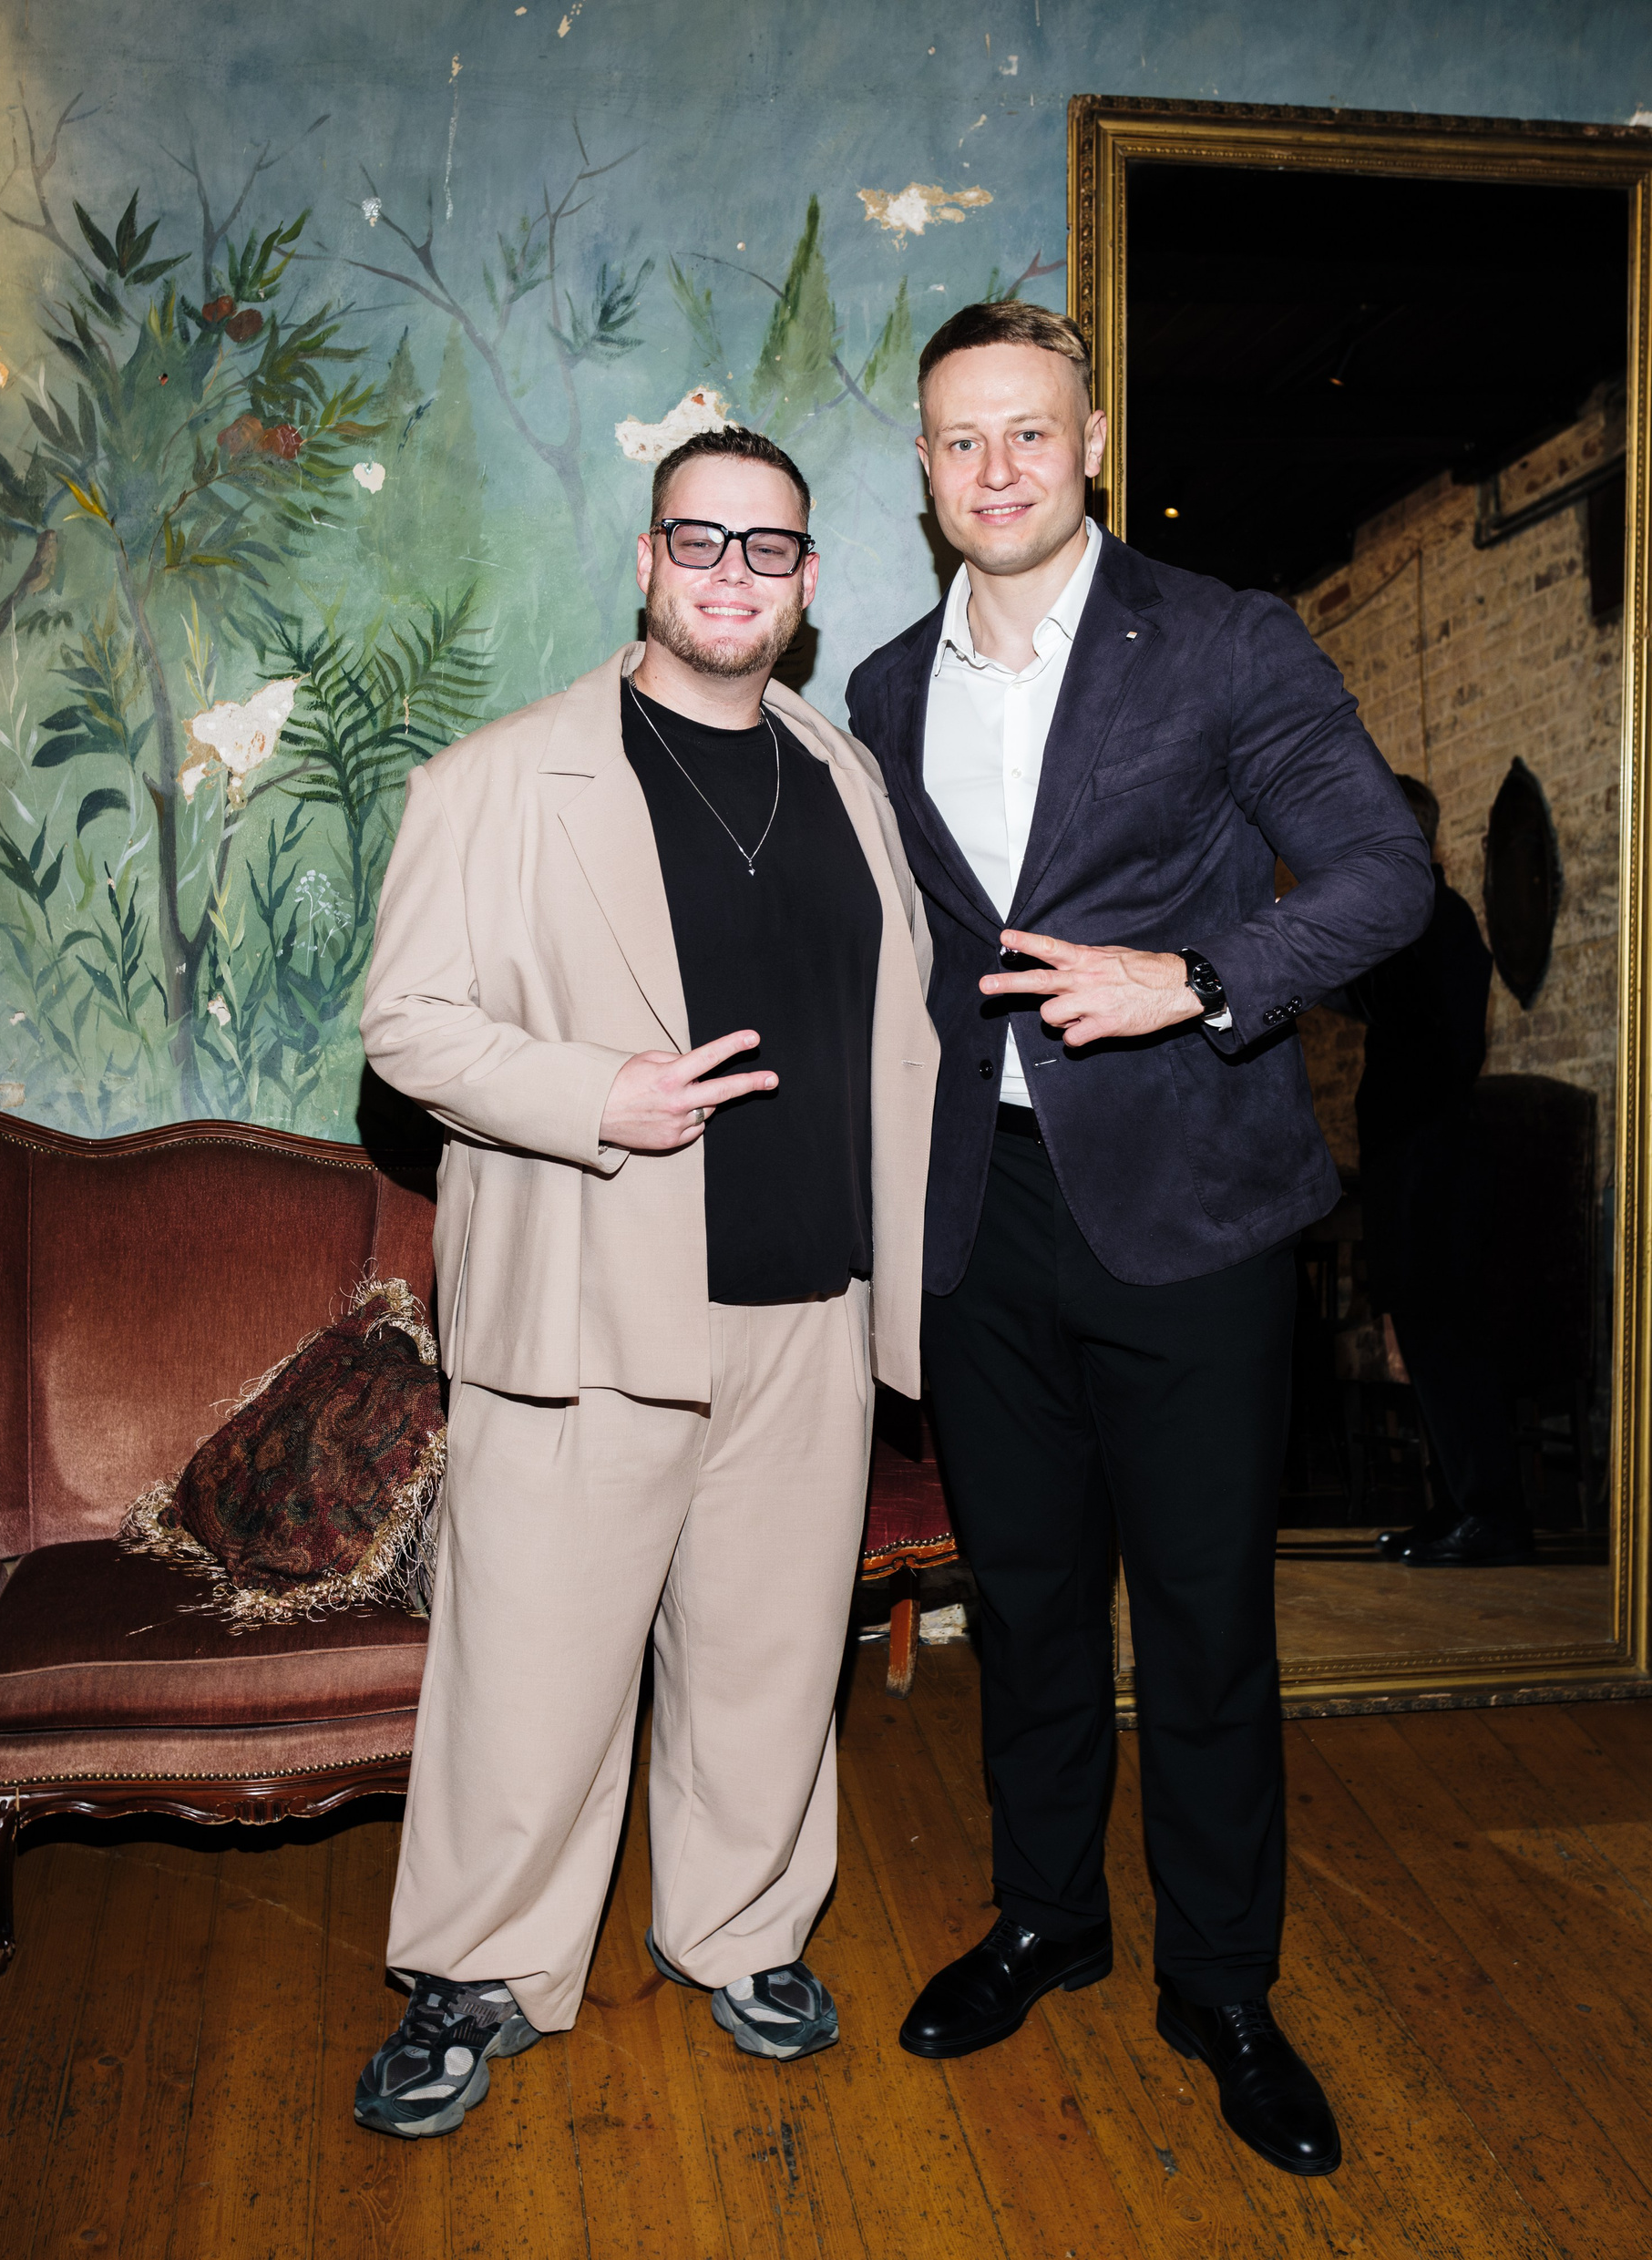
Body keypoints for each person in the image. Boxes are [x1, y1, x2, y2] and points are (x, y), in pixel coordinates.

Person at [847, 300, 1431, 2179]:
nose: (997, 467)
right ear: (923, 468)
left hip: (1193, 1208)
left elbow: (1384, 876)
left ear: (1091, 444)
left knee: (1201, 1619)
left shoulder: (1226, 639)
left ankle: (1222, 1985)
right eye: (961, 438)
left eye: (1031, 430)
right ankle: (1047, 1919)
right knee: (1023, 1604)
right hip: (981, 1214)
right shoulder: (881, 689)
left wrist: (1193, 977)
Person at [353, 425, 938, 2139]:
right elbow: (407, 1028)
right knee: (529, 1675)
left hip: (811, 1314)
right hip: (588, 1312)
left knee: (771, 1665)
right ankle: (476, 1974)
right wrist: (591, 1094)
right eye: (701, 540)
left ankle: (742, 1932)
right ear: (645, 559)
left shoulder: (848, 781)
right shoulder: (496, 781)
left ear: (809, 581)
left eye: (770, 548)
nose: (732, 574)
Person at [1348, 777, 1534, 1565]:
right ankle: (1455, 1502)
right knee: (1425, 1344)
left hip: (1436, 1163)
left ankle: (1493, 1515)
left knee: (1450, 1340)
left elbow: (1431, 1040)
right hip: (1411, 1160)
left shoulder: (1432, 913)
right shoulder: (1413, 914)